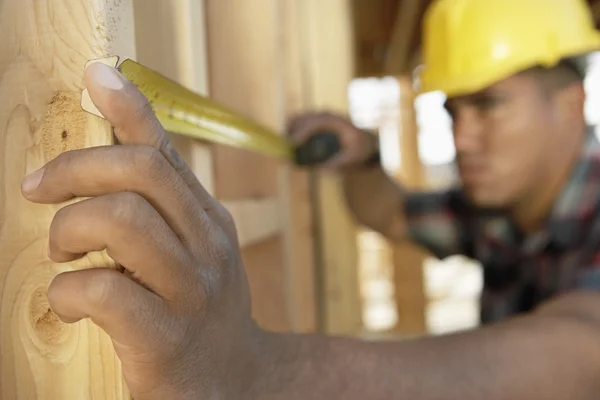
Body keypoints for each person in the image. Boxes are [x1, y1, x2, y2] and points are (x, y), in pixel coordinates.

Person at [18, 0, 600, 398]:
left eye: (490, 106)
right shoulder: (505, 209)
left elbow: (577, 354)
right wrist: (367, 158)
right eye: (453, 108)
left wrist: (251, 368)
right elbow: (391, 211)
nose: (463, 134)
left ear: (572, 102)